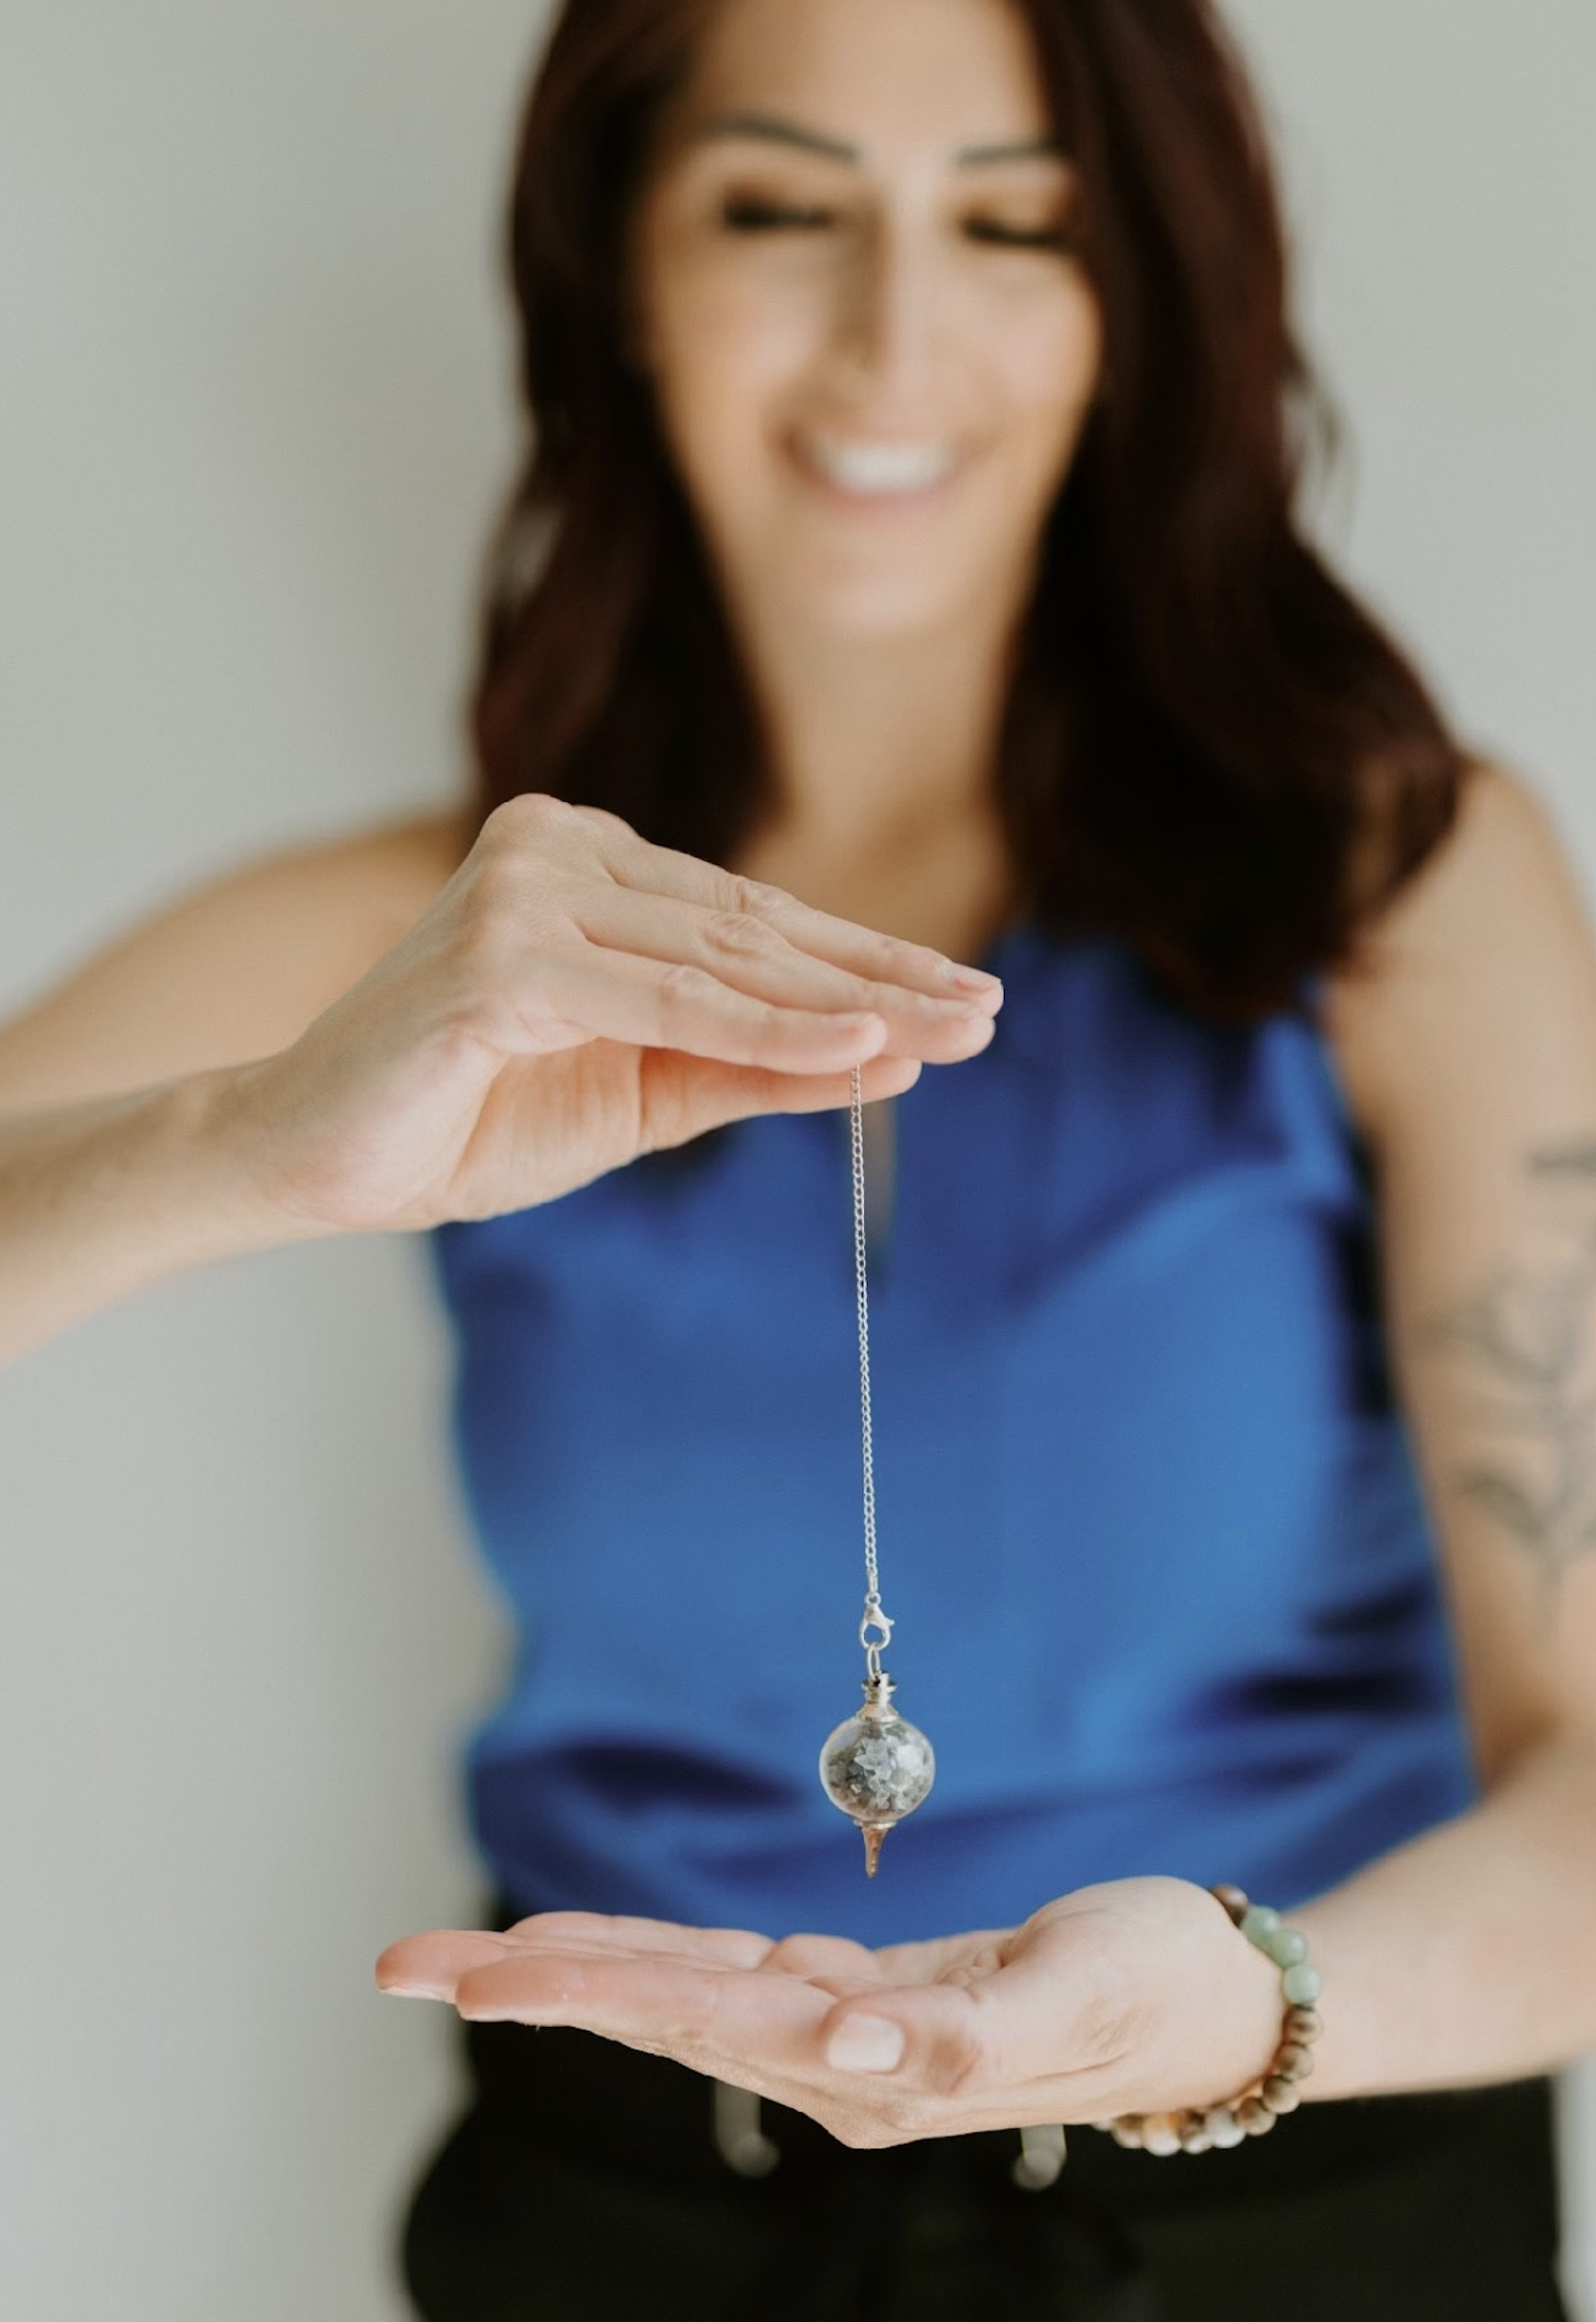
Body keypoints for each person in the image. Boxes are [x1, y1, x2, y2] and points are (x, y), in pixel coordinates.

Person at [3, 0, 1594, 2312]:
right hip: (620, 2227)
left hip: (1295, 2187)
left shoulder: (1395, 896)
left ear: (1132, 302)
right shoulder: (429, 943)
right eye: (778, 209)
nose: (893, 335)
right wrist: (250, 1137)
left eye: (1012, 224)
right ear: (616, 280)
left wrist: (1238, 2005)